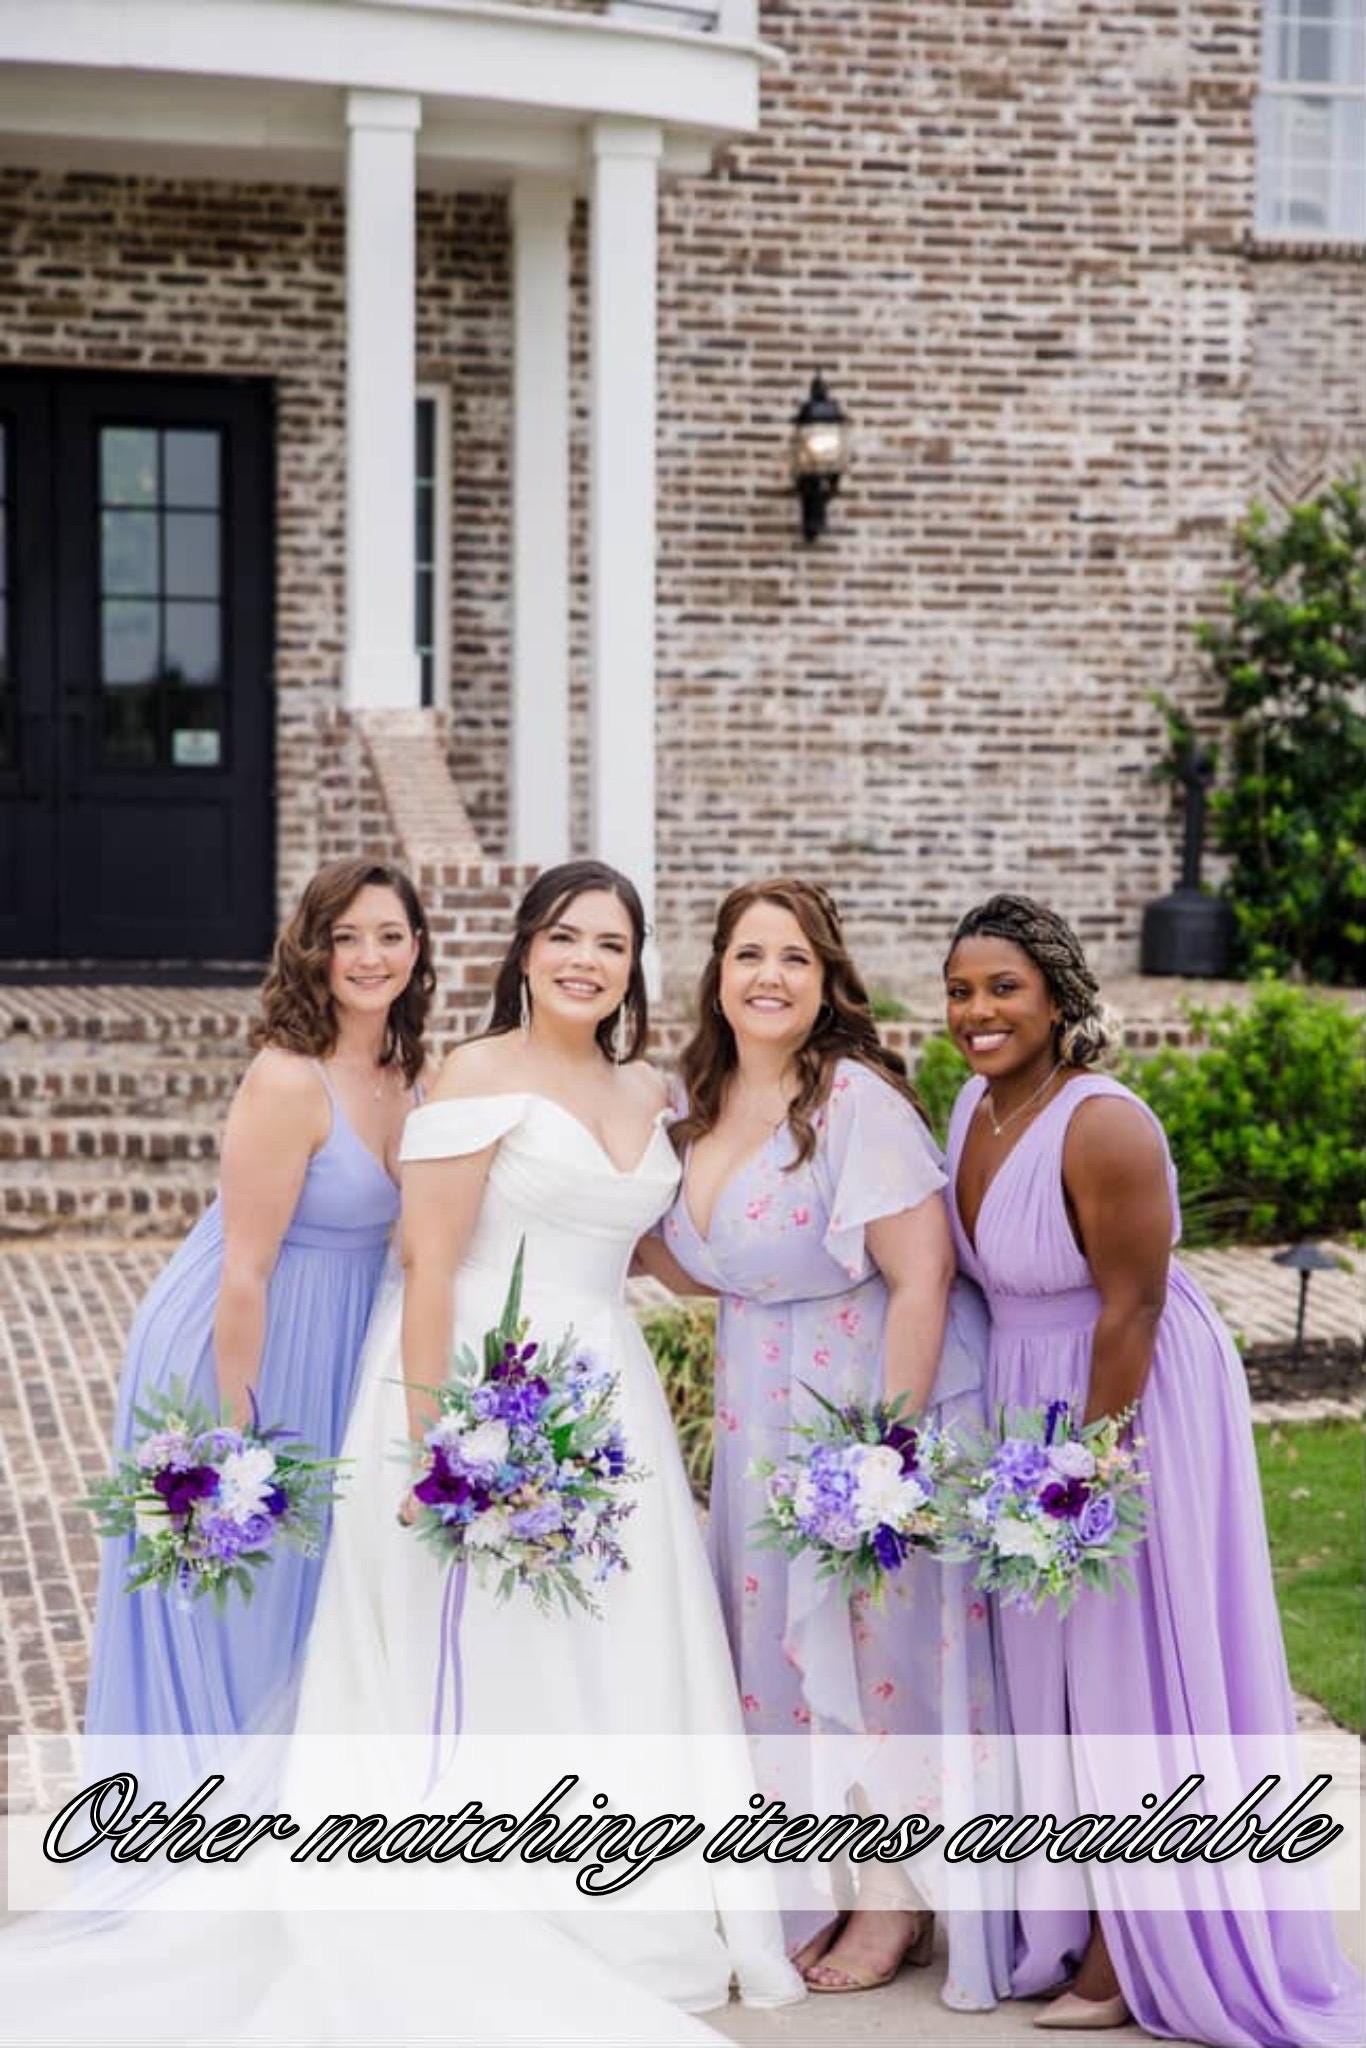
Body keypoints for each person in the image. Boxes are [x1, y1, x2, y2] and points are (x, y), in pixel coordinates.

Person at [285, 858, 803, 2019]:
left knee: (611, 1642)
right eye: (565, 936)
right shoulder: (474, 1072)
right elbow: (428, 1263)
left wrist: (797, 1283)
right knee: (497, 1650)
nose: (585, 960)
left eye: (611, 943)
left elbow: (653, 1247)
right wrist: (436, 1447)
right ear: (525, 949)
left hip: (607, 1392)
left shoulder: (649, 1086)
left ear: (634, 966)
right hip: (481, 1380)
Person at [942, 891, 1363, 2044]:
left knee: (1124, 1673)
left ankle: (1139, 1942)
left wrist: (1084, 1475)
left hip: (1120, 1396)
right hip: (1025, 1400)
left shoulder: (1102, 1123)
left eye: (1002, 987)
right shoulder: (973, 1105)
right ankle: (1075, 1912)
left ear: (1058, 997)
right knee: (1052, 1679)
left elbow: (1129, 1307)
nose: (976, 1010)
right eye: (960, 990)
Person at [640, 877, 1010, 2008]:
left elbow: (922, 1276)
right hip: (757, 1405)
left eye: (794, 957)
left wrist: (882, 1458)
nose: (769, 976)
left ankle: (897, 1892)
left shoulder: (856, 1103)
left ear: (825, 979)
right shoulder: (692, 1103)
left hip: (861, 1402)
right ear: (716, 973)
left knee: (875, 1643)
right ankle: (819, 1877)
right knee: (783, 1653)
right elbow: (694, 1264)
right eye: (749, 954)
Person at [84, 855, 432, 1741]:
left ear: (417, 948)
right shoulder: (288, 1078)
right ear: (314, 951)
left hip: (342, 1338)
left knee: (315, 1593)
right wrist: (236, 1446)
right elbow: (243, 1270)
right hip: (245, 1340)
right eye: (346, 938)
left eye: (389, 936)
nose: (369, 957)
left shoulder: (406, 1071)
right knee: (246, 1591)